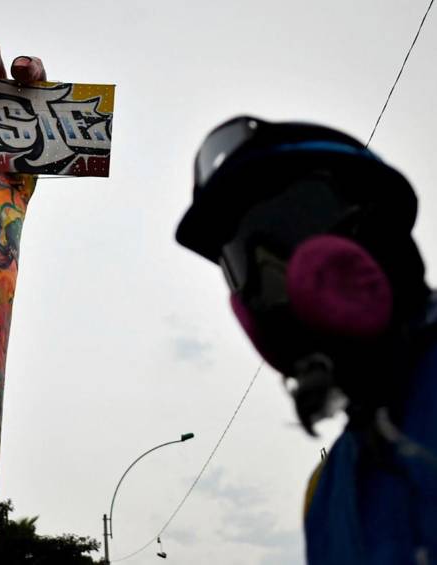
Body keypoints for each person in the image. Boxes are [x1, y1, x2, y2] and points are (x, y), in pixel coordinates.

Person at [176, 116, 437, 564]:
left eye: (293, 219)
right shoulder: (327, 493)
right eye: (242, 261)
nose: (274, 279)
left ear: (382, 225)